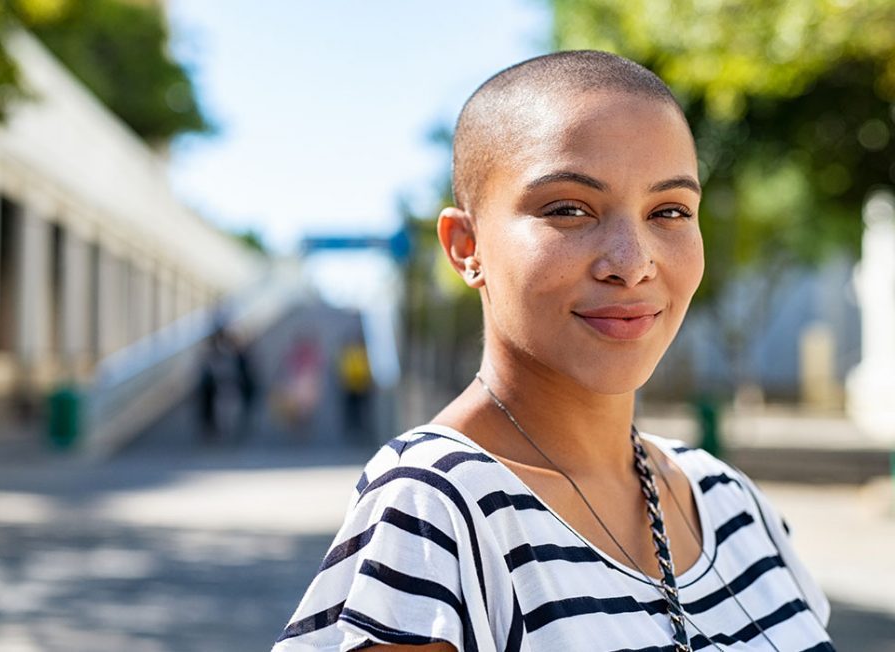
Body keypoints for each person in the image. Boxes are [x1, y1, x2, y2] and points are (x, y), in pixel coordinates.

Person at [273, 51, 834, 651]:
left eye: (669, 210)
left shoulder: (728, 499)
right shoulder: (437, 513)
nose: (632, 262)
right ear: (466, 245)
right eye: (569, 210)